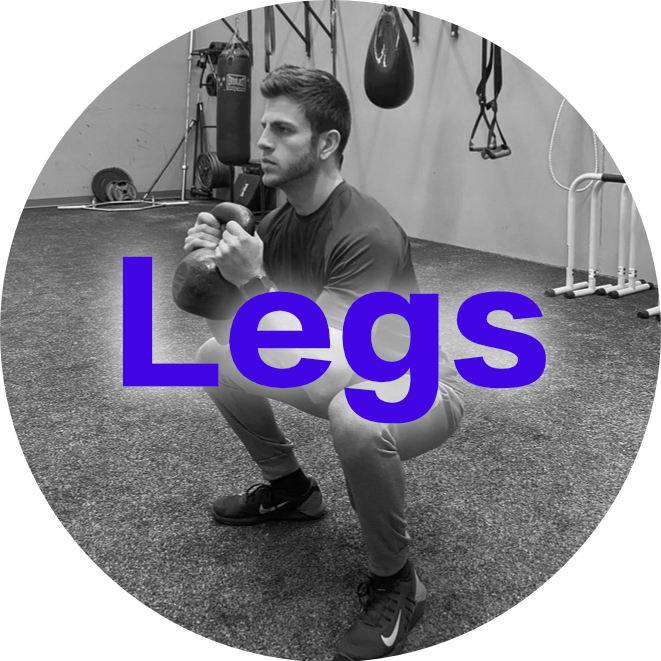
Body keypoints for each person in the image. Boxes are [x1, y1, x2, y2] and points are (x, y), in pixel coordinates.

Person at [184, 65, 465, 660]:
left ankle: (399, 582)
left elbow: (332, 367)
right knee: (213, 357)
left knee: (354, 413)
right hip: (332, 375)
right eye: (264, 127)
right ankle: (292, 490)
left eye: (283, 130)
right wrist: (212, 275)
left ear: (327, 143)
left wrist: (253, 282)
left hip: (413, 390)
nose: (263, 142)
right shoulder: (275, 224)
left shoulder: (367, 232)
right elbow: (234, 337)